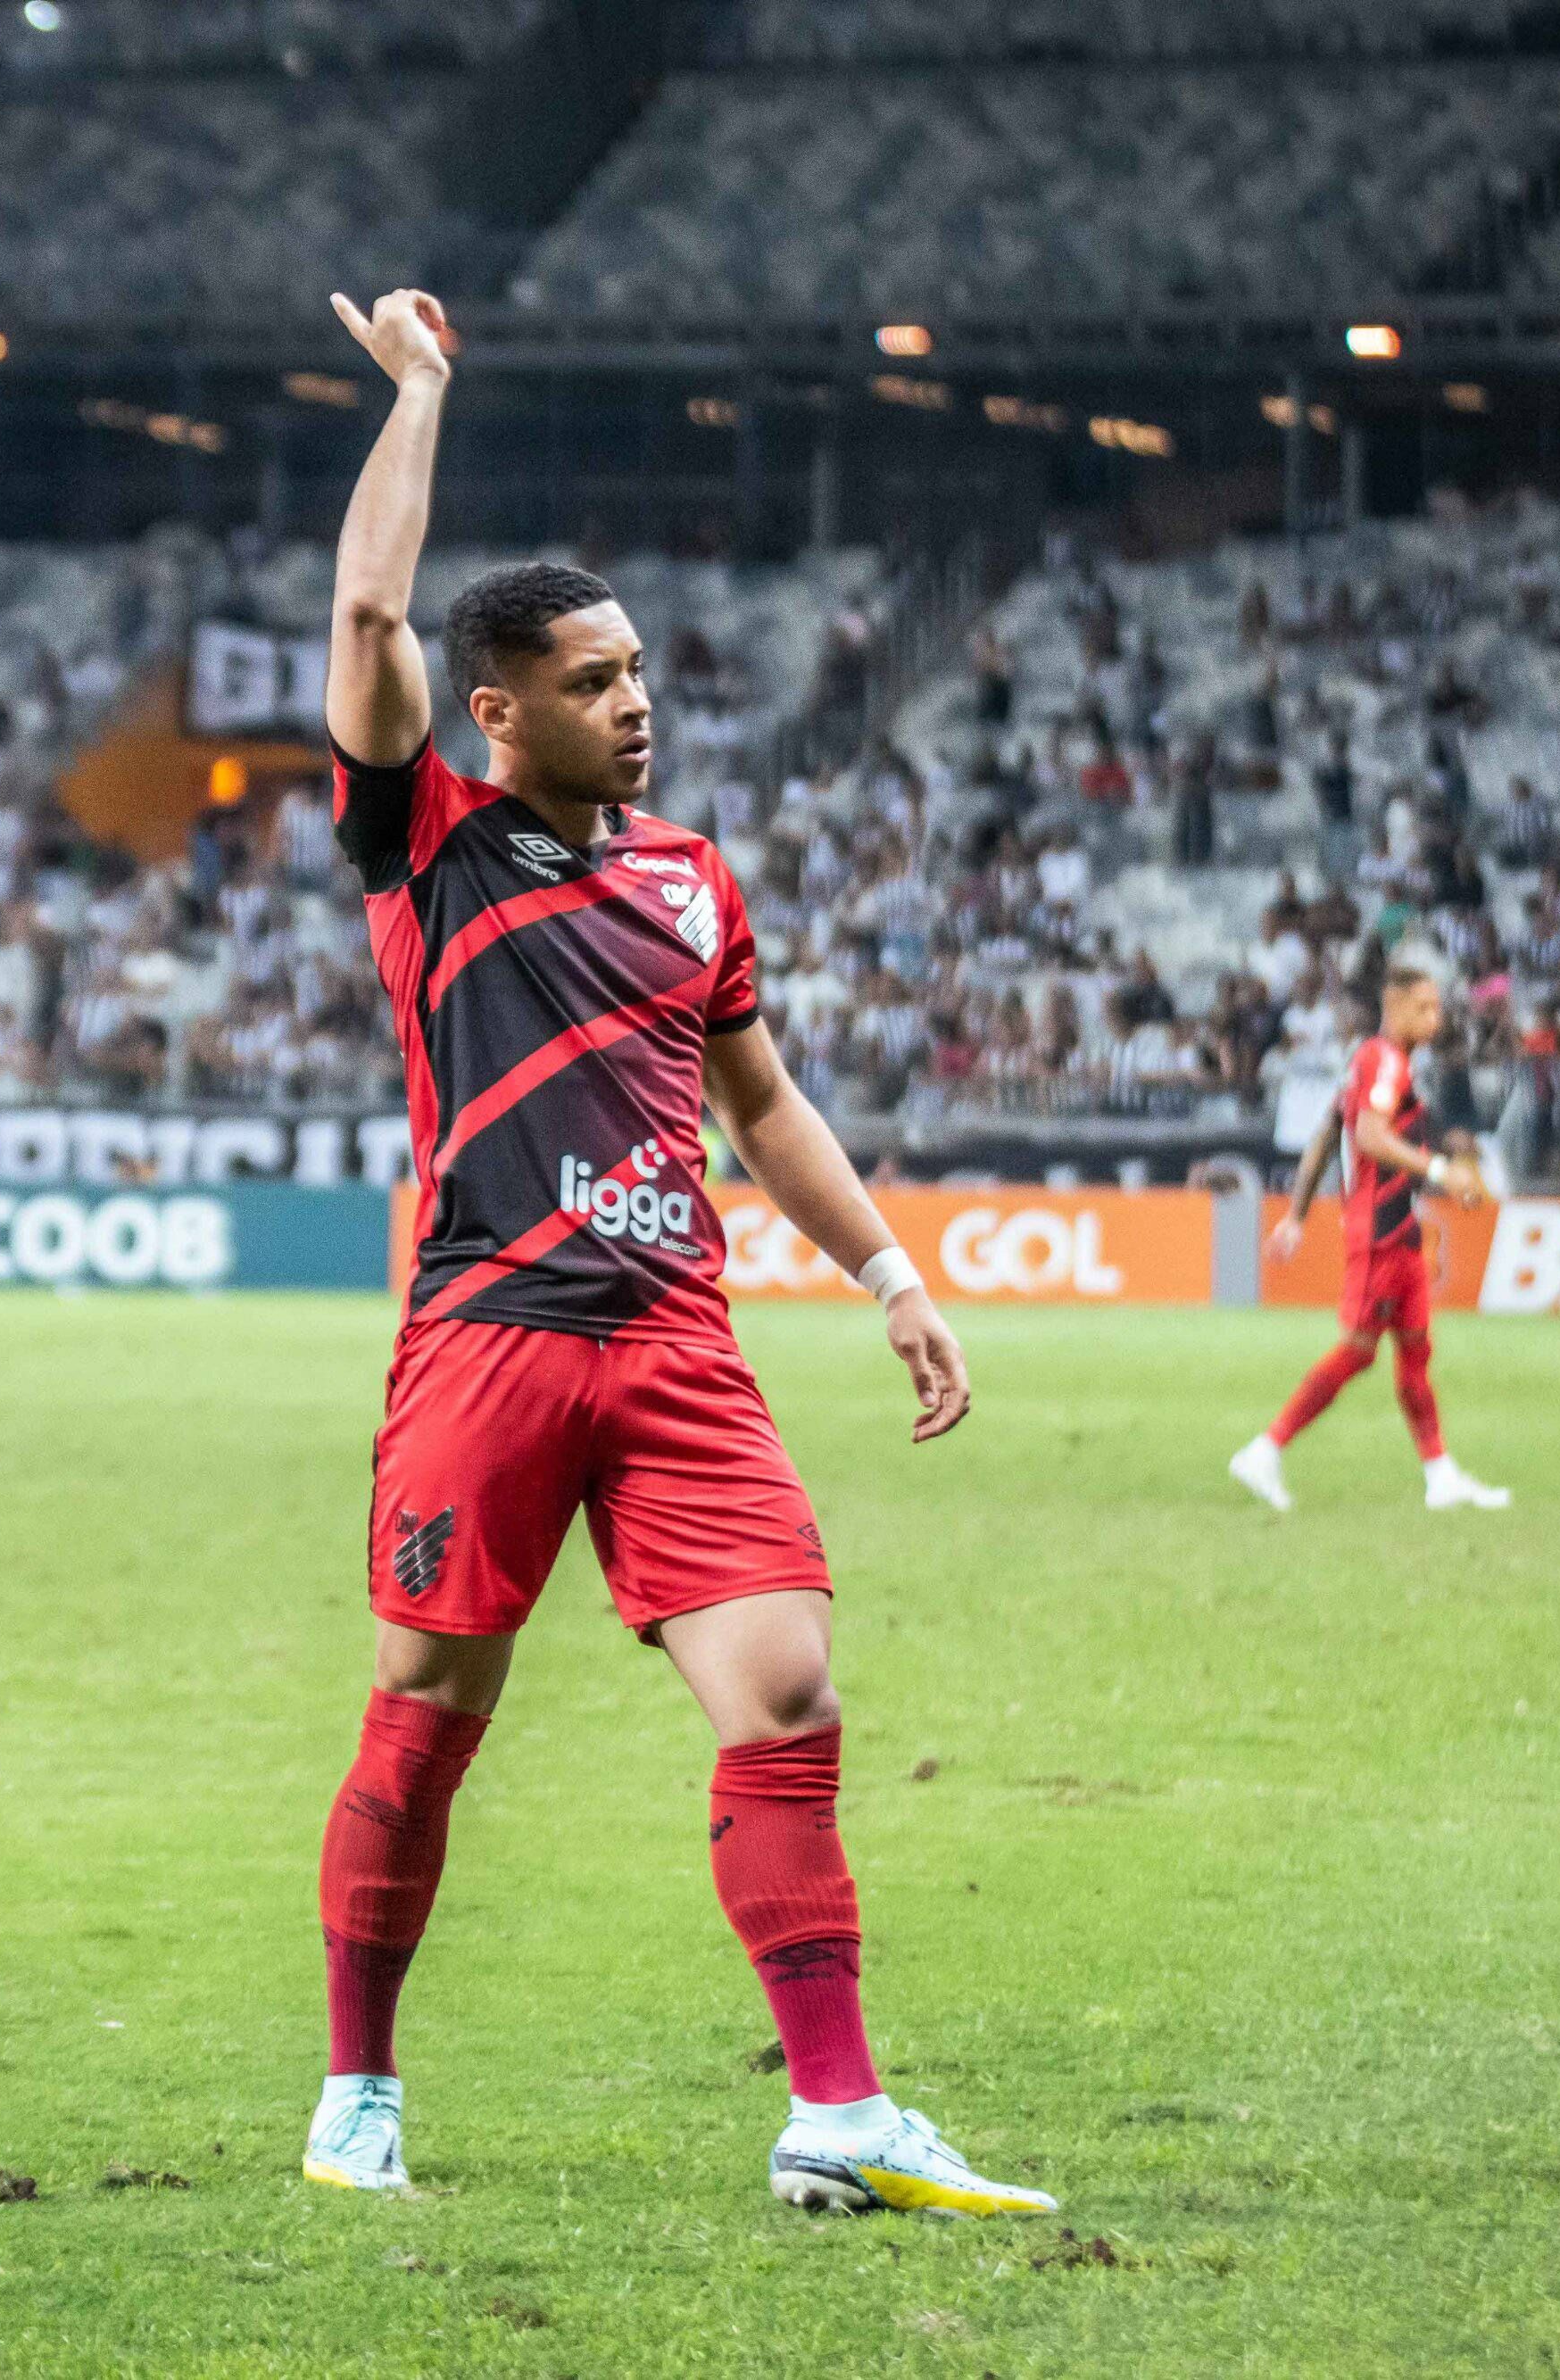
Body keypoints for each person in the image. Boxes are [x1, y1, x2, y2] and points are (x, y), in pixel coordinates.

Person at [301, 286, 1051, 2221]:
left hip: (675, 1344)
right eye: (595, 677)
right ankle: (358, 2082)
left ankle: (832, 2111)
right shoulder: (428, 843)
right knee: (427, 1716)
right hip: (489, 1338)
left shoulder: (685, 873)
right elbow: (371, 620)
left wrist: (893, 1275)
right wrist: (422, 393)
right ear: (501, 709)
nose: (637, 699)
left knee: (787, 1692)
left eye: (640, 670)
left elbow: (766, 1104)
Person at [1232, 962, 1513, 1513]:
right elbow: (1368, 1136)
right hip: (1378, 1231)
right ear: (1396, 1007)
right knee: (1359, 1351)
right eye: (1424, 1008)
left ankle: (1441, 1476)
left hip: (1399, 1229)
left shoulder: (1372, 1062)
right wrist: (1440, 1171)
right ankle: (1265, 1449)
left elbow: (1326, 1135)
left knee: (1415, 1351)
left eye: (1437, 1007)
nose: (1435, 1018)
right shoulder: (1384, 1061)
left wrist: (1296, 1215)